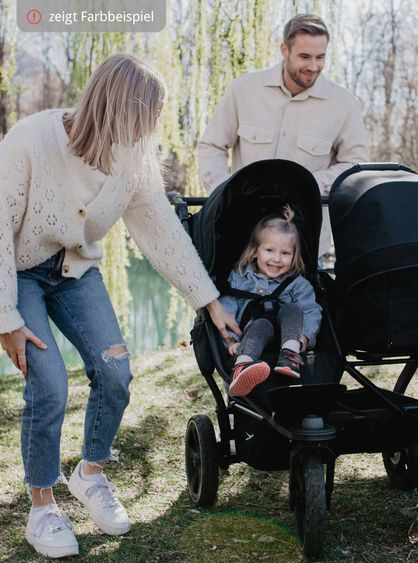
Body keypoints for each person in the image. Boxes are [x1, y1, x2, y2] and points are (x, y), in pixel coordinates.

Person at [0, 54, 240, 559]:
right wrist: (6, 319)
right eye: (146, 119)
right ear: (118, 109)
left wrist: (209, 301)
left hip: (75, 272)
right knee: (49, 383)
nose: (149, 132)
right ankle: (42, 509)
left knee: (116, 372)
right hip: (19, 274)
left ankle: (89, 476)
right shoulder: (29, 140)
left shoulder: (133, 161)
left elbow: (163, 235)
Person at [198, 13, 369, 256]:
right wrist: (223, 193)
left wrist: (309, 185)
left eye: (321, 57)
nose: (313, 66)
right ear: (284, 50)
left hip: (305, 245)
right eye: (304, 56)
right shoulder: (244, 90)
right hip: (241, 238)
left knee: (306, 296)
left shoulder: (343, 104)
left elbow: (354, 165)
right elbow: (211, 147)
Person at [219, 205, 322, 397]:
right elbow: (227, 313)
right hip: (252, 336)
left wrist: (305, 338)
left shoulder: (298, 284)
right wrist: (231, 342)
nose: (276, 259)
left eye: (285, 253)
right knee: (261, 325)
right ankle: (243, 366)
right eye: (269, 250)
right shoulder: (240, 279)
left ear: (294, 256)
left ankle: (290, 355)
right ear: (255, 251)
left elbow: (311, 311)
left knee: (292, 308)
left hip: (291, 337)